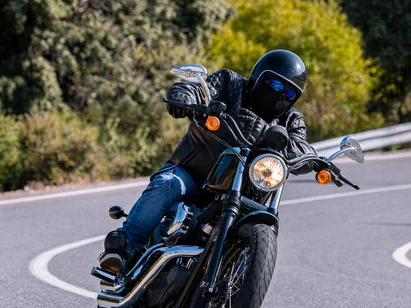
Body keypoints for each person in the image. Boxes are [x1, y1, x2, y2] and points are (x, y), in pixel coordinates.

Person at [99, 49, 317, 274]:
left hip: (245, 194)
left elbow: (302, 146)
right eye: (275, 84)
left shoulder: (291, 120)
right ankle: (124, 249)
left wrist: (280, 145)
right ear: (259, 76)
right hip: (193, 175)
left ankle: (236, 281)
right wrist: (184, 95)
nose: (280, 95)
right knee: (167, 184)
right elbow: (199, 90)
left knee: (267, 227)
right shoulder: (229, 83)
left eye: (290, 93)